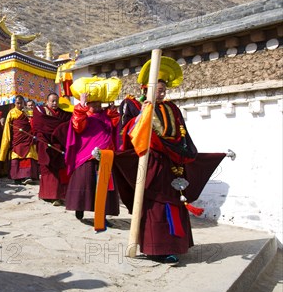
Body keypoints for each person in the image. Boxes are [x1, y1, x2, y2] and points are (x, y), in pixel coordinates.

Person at [113, 61, 226, 264]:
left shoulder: (172, 108)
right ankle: (155, 248)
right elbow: (128, 133)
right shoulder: (135, 106)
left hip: (173, 164)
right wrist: (142, 116)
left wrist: (184, 155)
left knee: (175, 200)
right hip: (151, 163)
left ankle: (175, 245)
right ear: (145, 89)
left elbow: (182, 136)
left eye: (164, 90)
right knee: (155, 203)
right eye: (158, 90)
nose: (162, 93)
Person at [64, 92, 121, 227]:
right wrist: (81, 105)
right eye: (93, 103)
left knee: (106, 187)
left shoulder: (106, 116)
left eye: (99, 103)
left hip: (105, 155)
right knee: (84, 183)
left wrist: (113, 111)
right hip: (86, 155)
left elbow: (115, 126)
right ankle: (80, 207)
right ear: (88, 104)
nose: (96, 106)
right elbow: (77, 126)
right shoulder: (83, 115)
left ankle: (102, 215)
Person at [32, 93, 72, 202]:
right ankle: (47, 195)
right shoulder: (40, 111)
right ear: (47, 101)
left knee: (59, 169)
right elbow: (38, 128)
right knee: (47, 170)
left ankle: (58, 195)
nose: (54, 103)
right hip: (46, 144)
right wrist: (43, 142)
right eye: (52, 101)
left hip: (58, 143)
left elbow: (68, 124)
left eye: (56, 101)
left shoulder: (63, 114)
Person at [0, 95, 38, 185]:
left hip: (27, 138)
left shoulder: (29, 112)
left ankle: (27, 176)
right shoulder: (11, 113)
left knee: (28, 155)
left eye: (21, 103)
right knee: (16, 157)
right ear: (14, 103)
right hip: (17, 139)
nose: (20, 105)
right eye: (18, 103)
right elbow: (7, 128)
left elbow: (34, 122)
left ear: (24, 103)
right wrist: (7, 141)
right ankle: (17, 177)